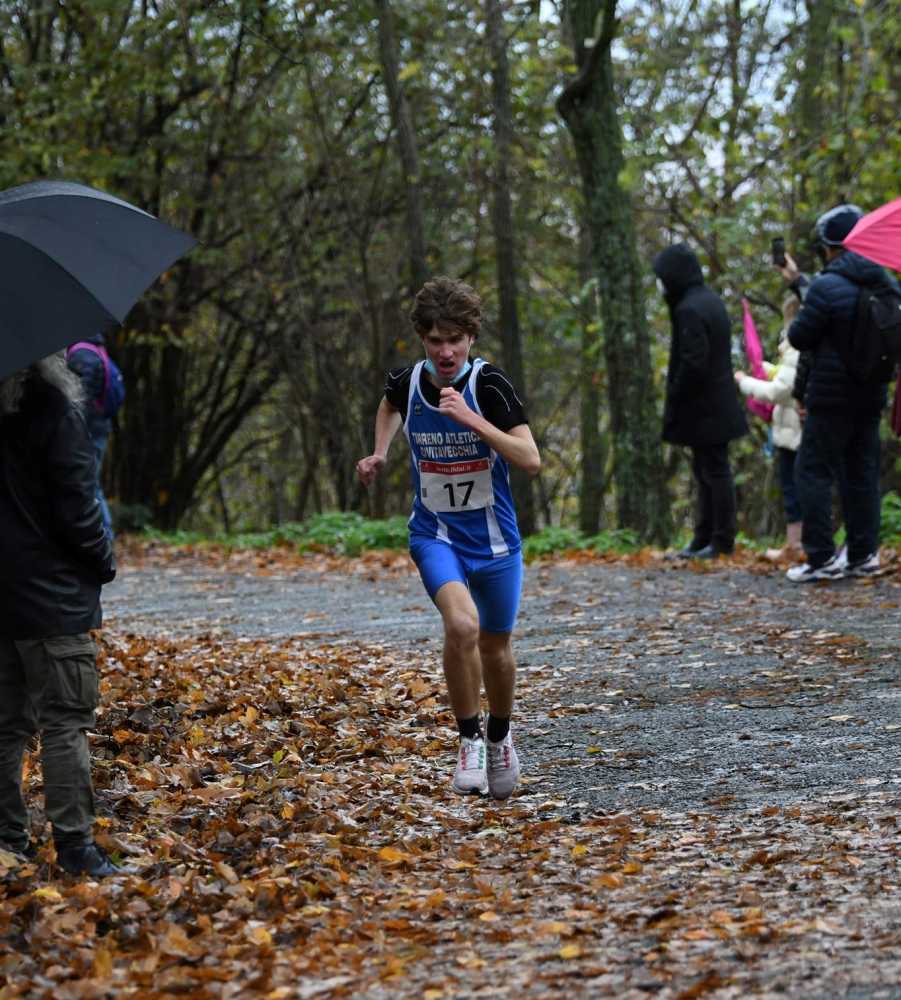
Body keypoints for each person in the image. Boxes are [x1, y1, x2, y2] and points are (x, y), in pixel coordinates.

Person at [356, 277, 540, 800]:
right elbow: (389, 404)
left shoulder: (490, 386)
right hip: (435, 533)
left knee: (496, 646)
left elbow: (530, 459)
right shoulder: (410, 380)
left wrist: (471, 420)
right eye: (435, 339)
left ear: (471, 338)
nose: (445, 350)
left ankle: (502, 736)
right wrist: (381, 452)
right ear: (421, 338)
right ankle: (469, 741)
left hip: (496, 541)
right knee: (462, 625)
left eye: (454, 339)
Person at [0, 352, 122, 877]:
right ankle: (75, 847)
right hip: (53, 601)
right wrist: (104, 561)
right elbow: (79, 511)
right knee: (64, 722)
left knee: (4, 727)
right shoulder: (54, 408)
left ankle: (6, 840)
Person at [782, 204, 897, 582]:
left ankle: (820, 558)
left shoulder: (828, 286)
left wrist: (807, 296)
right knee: (861, 473)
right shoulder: (885, 283)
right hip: (871, 395)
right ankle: (863, 554)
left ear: (833, 246)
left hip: (831, 398)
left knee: (813, 471)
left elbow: (799, 335)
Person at [653, 243, 748, 558]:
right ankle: (705, 537)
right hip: (714, 404)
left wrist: (677, 393)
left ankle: (720, 540)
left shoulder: (689, 309)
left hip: (705, 407)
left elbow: (694, 361)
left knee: (714, 472)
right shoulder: (709, 301)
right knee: (706, 471)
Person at [734, 295, 803, 560]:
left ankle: (796, 545)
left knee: (794, 487)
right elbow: (787, 376)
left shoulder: (798, 345)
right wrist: (764, 368)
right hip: (790, 427)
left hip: (793, 431)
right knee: (794, 486)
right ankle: (796, 543)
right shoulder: (796, 346)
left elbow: (781, 390)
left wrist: (746, 382)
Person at [66, 333, 117, 537]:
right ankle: (104, 535)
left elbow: (80, 398)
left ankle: (105, 536)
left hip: (89, 429)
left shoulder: (83, 355)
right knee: (92, 483)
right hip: (98, 426)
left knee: (90, 484)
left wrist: (71, 428)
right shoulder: (96, 349)